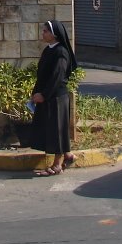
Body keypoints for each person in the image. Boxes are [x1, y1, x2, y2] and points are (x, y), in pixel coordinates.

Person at [29, 19, 77, 177]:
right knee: (53, 128)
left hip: (56, 98)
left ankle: (57, 165)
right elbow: (42, 75)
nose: (43, 33)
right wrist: (35, 93)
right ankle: (68, 155)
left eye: (45, 31)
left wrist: (44, 94)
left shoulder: (61, 52)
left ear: (54, 34)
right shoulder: (48, 50)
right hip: (48, 97)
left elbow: (58, 77)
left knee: (57, 129)